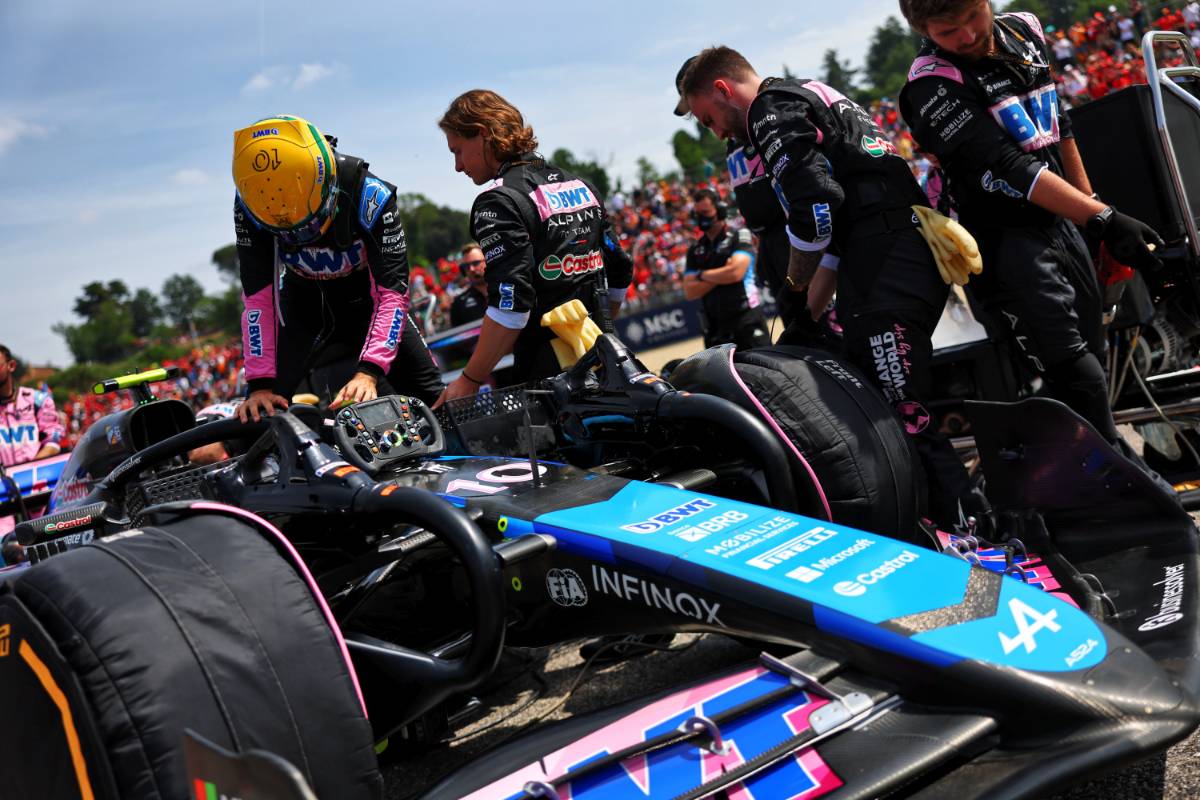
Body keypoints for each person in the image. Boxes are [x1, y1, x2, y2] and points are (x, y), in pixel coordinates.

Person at [680, 46, 979, 529]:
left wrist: (796, 287)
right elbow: (837, 226)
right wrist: (807, 312)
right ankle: (948, 521)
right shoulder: (802, 94)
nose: (714, 131)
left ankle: (975, 531)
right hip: (887, 252)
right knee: (888, 401)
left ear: (721, 89)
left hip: (888, 258)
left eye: (708, 118)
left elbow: (816, 206)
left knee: (899, 411)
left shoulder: (769, 110)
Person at [897, 0, 1162, 452]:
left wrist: (1093, 213)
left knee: (1093, 365)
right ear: (923, 31)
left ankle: (1068, 491)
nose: (965, 37)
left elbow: (1060, 124)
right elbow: (1009, 165)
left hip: (1062, 221)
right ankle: (1127, 496)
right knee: (1077, 375)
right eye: (947, 31)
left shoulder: (1024, 29)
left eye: (972, 19)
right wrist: (1101, 217)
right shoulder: (929, 84)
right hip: (1003, 239)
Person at [231, 115, 444, 423]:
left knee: (436, 399)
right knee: (261, 412)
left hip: (368, 303)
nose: (304, 237)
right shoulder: (250, 202)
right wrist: (260, 385)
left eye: (310, 223)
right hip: (303, 308)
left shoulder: (370, 194)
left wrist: (369, 372)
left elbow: (392, 295)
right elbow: (258, 300)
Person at [436, 90, 632, 403]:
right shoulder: (579, 184)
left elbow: (512, 304)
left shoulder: (498, 200)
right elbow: (620, 266)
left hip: (553, 377)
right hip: (608, 354)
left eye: (457, 150)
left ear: (483, 135)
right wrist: (595, 327)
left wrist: (469, 379)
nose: (458, 166)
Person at [673, 57, 838, 346]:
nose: (707, 125)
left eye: (706, 116)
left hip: (795, 235)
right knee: (798, 331)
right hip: (769, 242)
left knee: (823, 322)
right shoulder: (732, 137)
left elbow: (796, 183)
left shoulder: (759, 120)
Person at [682, 188, 772, 350]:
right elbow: (689, 291)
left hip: (747, 319)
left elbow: (736, 273)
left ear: (721, 210)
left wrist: (701, 275)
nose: (700, 217)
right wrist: (723, 272)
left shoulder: (740, 235)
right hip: (714, 327)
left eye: (705, 211)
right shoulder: (694, 249)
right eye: (697, 213)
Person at [0, 345, 63, 469]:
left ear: (11, 366)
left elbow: (53, 443)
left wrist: (29, 469)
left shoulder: (38, 401)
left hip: (38, 480)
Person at [449, 243, 488, 327]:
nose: (471, 269)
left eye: (476, 263)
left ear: (487, 260)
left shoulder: (507, 290)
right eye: (466, 266)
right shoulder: (458, 304)